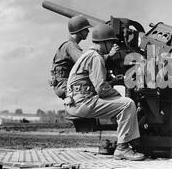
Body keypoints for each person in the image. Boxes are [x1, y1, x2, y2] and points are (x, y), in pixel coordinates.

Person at [64, 23, 145, 161]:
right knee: (127, 104)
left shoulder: (88, 55)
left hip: (74, 102)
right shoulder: (96, 58)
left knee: (120, 105)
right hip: (83, 103)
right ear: (104, 43)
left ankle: (125, 142)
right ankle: (122, 149)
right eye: (111, 43)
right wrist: (118, 96)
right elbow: (101, 88)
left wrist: (112, 84)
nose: (113, 46)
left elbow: (92, 83)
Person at [50, 15, 92, 99]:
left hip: (63, 84)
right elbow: (86, 62)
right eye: (86, 29)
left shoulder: (70, 45)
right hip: (64, 85)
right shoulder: (70, 46)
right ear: (79, 30)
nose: (88, 31)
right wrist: (106, 56)